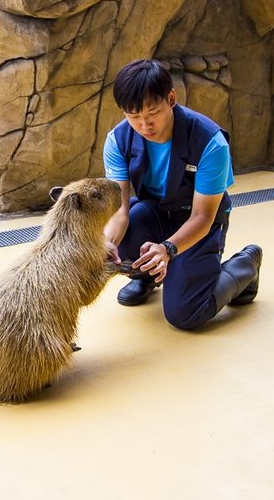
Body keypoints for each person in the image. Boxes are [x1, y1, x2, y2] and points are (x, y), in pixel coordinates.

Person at [103, 59, 262, 330]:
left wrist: (168, 248)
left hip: (197, 222)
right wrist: (106, 246)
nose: (144, 125)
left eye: (152, 113)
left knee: (187, 313)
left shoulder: (209, 141)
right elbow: (120, 209)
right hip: (155, 211)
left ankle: (245, 265)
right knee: (121, 243)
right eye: (134, 116)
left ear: (171, 99)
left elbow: (203, 216)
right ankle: (148, 276)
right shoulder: (117, 139)